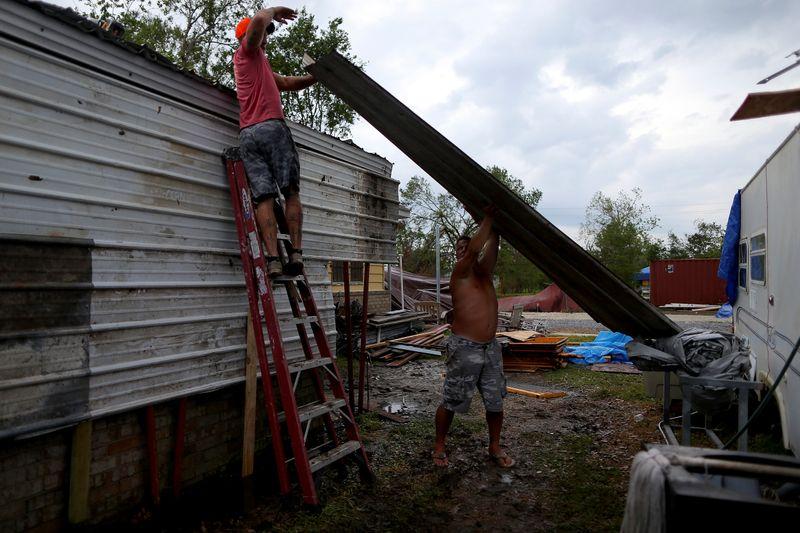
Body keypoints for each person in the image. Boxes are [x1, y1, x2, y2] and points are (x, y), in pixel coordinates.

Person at [233, 7, 315, 277]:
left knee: (264, 198)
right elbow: (258, 20)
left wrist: (316, 77)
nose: (267, 37)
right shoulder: (247, 51)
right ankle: (296, 253)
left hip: (248, 134)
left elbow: (288, 82)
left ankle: (272, 260)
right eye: (264, 34)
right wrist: (276, 11)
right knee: (290, 191)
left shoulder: (258, 64)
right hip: (271, 128)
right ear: (250, 37)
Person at [433, 206, 514, 468]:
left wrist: (495, 229)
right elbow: (477, 249)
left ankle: (494, 446)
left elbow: (492, 245)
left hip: (490, 348)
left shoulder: (484, 273)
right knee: (452, 398)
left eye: (464, 247)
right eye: (458, 249)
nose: (461, 252)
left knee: (494, 400)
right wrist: (488, 217)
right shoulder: (460, 274)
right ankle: (439, 446)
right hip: (465, 347)